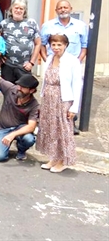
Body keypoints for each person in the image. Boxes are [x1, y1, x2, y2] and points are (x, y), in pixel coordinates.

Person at [37, 34, 82, 173]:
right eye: (53, 44)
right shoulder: (50, 58)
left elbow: (77, 84)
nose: (56, 47)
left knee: (63, 129)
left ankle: (63, 160)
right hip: (49, 98)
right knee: (51, 128)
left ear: (65, 45)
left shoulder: (72, 61)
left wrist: (74, 107)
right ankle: (54, 157)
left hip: (63, 98)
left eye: (59, 45)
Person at [0, 0, 41, 83]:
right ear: (11, 9)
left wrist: (31, 63)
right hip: (7, 65)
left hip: (25, 65)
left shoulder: (32, 23)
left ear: (25, 11)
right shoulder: (4, 23)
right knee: (9, 92)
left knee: (24, 93)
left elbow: (38, 43)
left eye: (21, 8)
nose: (18, 10)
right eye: (16, 7)